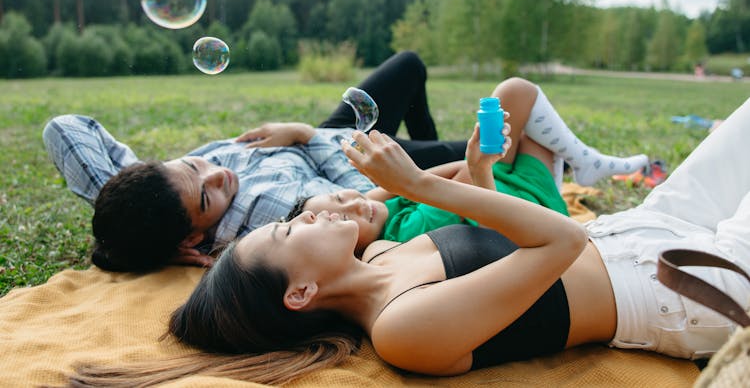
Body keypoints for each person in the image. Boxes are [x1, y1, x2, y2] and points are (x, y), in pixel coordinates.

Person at [69, 102, 750, 387]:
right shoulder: (401, 331)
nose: (306, 217)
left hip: (646, 226)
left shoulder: (382, 256)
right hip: (688, 290)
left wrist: (474, 171)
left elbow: (515, 224)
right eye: (288, 232)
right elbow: (557, 244)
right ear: (301, 292)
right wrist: (424, 184)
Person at [43, 51, 468, 273]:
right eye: (207, 198)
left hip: (319, 135)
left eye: (193, 166)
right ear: (191, 240)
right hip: (346, 149)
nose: (217, 174)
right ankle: (426, 160)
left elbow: (64, 128)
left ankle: (424, 142)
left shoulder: (148, 195)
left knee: (408, 65)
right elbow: (357, 192)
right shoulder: (261, 220)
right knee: (486, 148)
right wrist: (302, 133)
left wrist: (131, 240)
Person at [290, 76, 649, 254]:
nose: (353, 205)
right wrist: (413, 179)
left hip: (499, 178)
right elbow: (454, 187)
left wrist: (392, 185)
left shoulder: (377, 205)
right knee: (515, 98)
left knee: (515, 96)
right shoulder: (402, 236)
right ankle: (584, 164)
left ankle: (582, 164)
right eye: (345, 218)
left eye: (339, 199)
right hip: (523, 206)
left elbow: (440, 175)